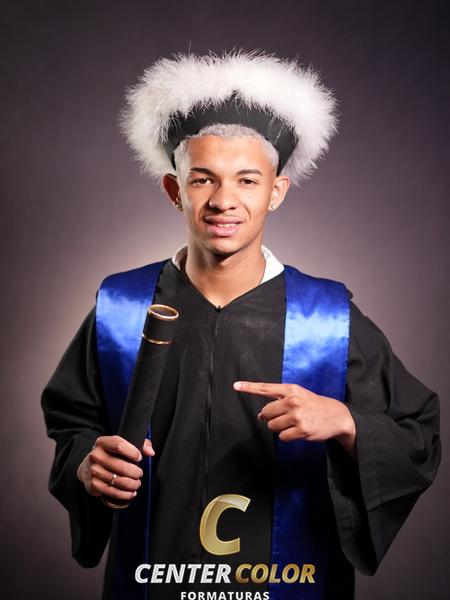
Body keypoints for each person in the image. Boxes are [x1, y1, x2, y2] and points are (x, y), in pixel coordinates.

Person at [41, 51, 440, 600]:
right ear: (175, 190)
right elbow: (73, 424)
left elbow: (418, 434)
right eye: (202, 179)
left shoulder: (326, 319)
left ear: (276, 191)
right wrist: (88, 463)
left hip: (288, 583)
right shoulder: (121, 309)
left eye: (247, 180)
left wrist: (348, 422)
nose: (223, 200)